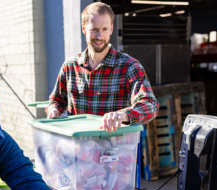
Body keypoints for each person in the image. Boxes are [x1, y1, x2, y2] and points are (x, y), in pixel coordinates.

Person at [46, 2, 158, 131]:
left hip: (115, 147)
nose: (99, 36)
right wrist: (54, 109)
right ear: (84, 29)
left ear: (111, 29)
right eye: (94, 29)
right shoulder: (70, 67)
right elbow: (56, 100)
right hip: (79, 148)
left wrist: (123, 115)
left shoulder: (129, 66)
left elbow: (150, 105)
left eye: (104, 29)